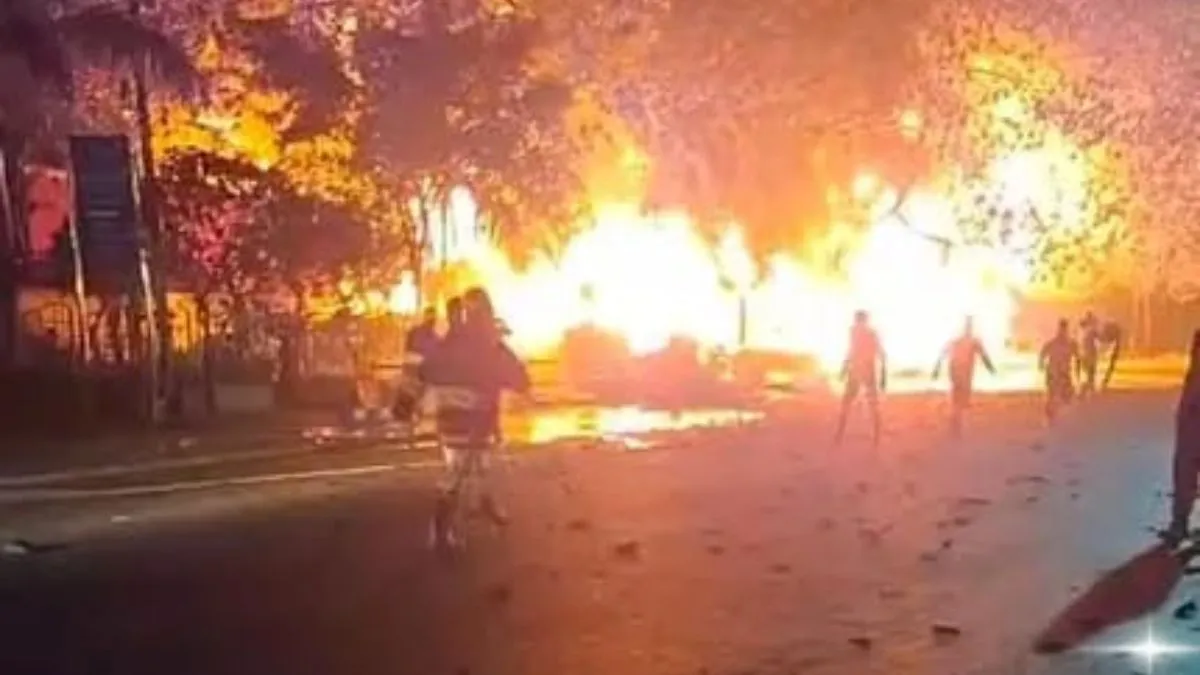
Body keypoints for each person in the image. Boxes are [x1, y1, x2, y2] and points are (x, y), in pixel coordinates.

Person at [422, 287, 530, 552]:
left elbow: (426, 370)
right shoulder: (487, 342)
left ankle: (482, 505)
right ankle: (440, 532)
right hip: (473, 416)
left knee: (476, 464)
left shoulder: (449, 342)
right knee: (458, 471)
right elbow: (517, 377)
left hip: (452, 415)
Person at [932, 317, 996, 436]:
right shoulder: (972, 341)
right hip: (962, 371)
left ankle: (955, 422)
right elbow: (983, 356)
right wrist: (991, 368)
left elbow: (943, 353)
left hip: (955, 369)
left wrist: (936, 369)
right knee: (961, 398)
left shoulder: (959, 340)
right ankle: (956, 423)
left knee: (957, 397)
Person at [1166, 330, 1200, 544]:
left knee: (1185, 476)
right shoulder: (1194, 373)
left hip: (1192, 432)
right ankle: (1179, 523)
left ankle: (1180, 524)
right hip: (1190, 430)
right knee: (1184, 477)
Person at [835, 310, 887, 446]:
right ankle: (841, 434)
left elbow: (880, 353)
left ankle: (875, 436)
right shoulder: (857, 332)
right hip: (860, 371)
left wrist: (883, 375)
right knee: (855, 403)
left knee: (857, 403)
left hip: (864, 371)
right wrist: (844, 368)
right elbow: (851, 351)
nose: (857, 323)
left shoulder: (867, 333)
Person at [1039, 318, 1078, 423]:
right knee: (1051, 395)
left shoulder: (1070, 344)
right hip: (1053, 373)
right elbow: (1043, 353)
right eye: (1062, 328)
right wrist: (1041, 364)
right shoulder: (1053, 343)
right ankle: (1050, 416)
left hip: (1063, 373)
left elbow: (1077, 357)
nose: (1063, 331)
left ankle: (1058, 415)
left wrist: (1078, 371)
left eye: (1064, 329)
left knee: (1067, 396)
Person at [1078, 312, 1101, 398]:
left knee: (1088, 373)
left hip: (1084, 353)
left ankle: (1086, 389)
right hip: (1089, 354)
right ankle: (1086, 389)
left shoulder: (1082, 330)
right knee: (1090, 373)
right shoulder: (1091, 330)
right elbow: (1100, 337)